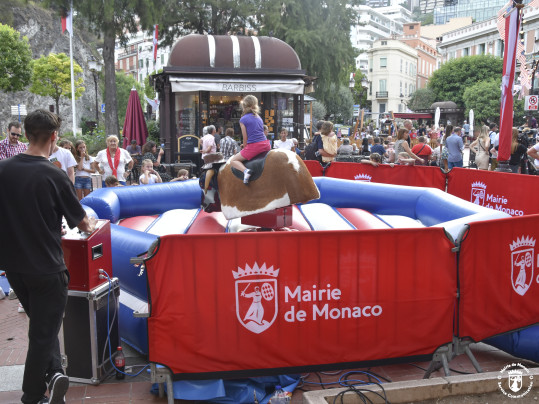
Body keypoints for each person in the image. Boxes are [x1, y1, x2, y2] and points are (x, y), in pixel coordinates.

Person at [0, 109, 96, 404]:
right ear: (54, 137)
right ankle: (32, 396)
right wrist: (91, 222)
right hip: (47, 268)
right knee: (43, 333)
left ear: (25, 134)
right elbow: (82, 223)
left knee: (43, 323)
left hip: (14, 267)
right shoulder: (54, 175)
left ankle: (55, 372)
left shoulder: (3, 169)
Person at [229, 95, 272, 184]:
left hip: (254, 147)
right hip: (266, 144)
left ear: (244, 106)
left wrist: (245, 147)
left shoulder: (243, 119)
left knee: (233, 160)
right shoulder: (258, 117)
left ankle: (246, 171)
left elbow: (245, 138)